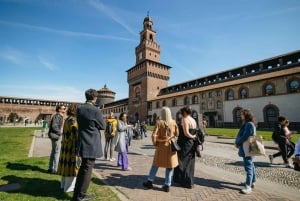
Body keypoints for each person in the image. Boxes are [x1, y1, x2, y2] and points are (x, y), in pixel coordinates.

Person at [72, 89, 106, 201]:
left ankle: (77, 194)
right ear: (95, 98)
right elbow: (103, 126)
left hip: (82, 141)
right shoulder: (95, 110)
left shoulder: (80, 108)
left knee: (83, 169)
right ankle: (81, 196)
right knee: (87, 170)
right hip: (91, 143)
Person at [143, 107, 179, 192]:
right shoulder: (173, 122)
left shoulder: (159, 123)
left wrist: (156, 143)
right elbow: (177, 133)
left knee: (155, 164)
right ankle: (167, 185)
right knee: (170, 166)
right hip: (171, 146)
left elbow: (154, 135)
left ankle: (150, 181)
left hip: (161, 146)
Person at [173, 106, 197, 189]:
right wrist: (194, 137)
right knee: (190, 162)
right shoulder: (193, 120)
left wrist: (192, 136)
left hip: (184, 143)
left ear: (185, 113)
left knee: (181, 161)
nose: (181, 114)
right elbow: (194, 130)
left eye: (182, 112)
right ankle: (189, 181)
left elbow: (186, 133)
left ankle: (183, 181)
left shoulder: (185, 119)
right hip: (191, 143)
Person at [57, 103, 79, 192]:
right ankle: (69, 188)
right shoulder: (74, 121)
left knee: (65, 168)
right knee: (71, 168)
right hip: (71, 148)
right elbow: (75, 136)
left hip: (65, 146)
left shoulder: (67, 119)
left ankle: (63, 185)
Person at [235, 109, 257, 194]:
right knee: (251, 165)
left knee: (248, 166)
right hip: (249, 146)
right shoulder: (249, 124)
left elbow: (245, 136)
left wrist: (238, 142)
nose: (240, 115)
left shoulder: (248, 124)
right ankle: (252, 182)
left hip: (247, 147)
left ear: (246, 115)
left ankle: (248, 186)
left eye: (242, 114)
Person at [47, 105, 66, 174]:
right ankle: (55, 169)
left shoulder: (59, 116)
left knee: (54, 152)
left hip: (55, 136)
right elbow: (54, 126)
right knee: (57, 153)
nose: (65, 109)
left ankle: (50, 168)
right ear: (59, 109)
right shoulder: (57, 116)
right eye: (63, 108)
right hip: (56, 136)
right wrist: (61, 133)